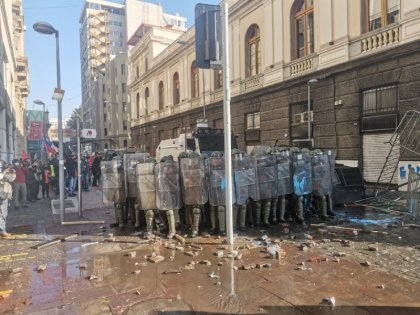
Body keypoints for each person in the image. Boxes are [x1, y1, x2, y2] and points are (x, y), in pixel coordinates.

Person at [0, 161, 15, 237]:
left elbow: (11, 179)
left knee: (4, 212)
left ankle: (2, 229)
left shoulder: (4, 174)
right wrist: (4, 172)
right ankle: (2, 230)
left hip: (5, 195)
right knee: (2, 213)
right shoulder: (2, 174)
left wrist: (12, 172)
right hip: (1, 195)